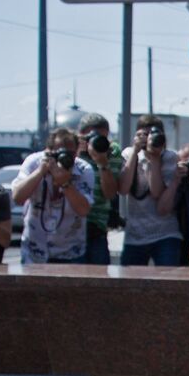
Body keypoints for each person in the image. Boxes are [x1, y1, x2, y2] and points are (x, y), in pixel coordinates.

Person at [13, 128, 94, 264]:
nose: (65, 158)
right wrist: (40, 172)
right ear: (48, 151)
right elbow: (18, 197)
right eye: (60, 153)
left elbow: (83, 210)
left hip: (70, 252)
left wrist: (66, 184)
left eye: (70, 153)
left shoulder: (84, 170)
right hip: (34, 251)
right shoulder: (34, 162)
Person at [117, 115, 182, 266]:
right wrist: (135, 151)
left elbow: (156, 193)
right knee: (129, 284)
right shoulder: (128, 154)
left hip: (165, 233)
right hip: (135, 234)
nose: (149, 140)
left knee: (168, 283)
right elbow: (123, 189)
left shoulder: (170, 157)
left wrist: (154, 158)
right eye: (144, 135)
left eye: (153, 135)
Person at [77, 113, 122, 265]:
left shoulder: (112, 153)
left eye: (101, 138)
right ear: (80, 135)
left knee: (100, 277)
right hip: (69, 226)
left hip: (97, 225)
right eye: (90, 137)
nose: (95, 142)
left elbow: (109, 193)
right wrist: (76, 151)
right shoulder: (71, 149)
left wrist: (102, 162)